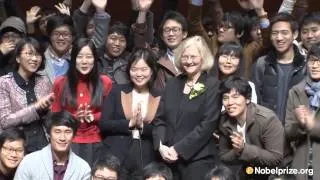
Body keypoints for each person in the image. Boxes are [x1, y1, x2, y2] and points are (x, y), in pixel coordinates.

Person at [153, 36, 221, 180]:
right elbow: (160, 119)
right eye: (185, 57)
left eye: (193, 57)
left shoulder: (212, 85)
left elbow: (207, 125)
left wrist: (178, 149)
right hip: (167, 158)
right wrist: (161, 146)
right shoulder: (172, 84)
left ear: (203, 58)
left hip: (198, 160)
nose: (189, 61)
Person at [99, 48, 160, 180]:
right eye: (134, 69)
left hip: (147, 156)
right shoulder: (117, 91)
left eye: (144, 69)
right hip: (117, 154)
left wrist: (142, 126)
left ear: (152, 71)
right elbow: (104, 124)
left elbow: (161, 129)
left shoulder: (159, 96)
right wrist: (129, 123)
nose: (139, 74)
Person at [51, 38, 112, 166]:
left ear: (95, 60)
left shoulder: (105, 82)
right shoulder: (61, 82)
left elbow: (110, 116)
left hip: (96, 141)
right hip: (68, 140)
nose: (84, 61)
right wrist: (73, 118)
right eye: (80, 57)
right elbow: (55, 117)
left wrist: (93, 117)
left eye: (89, 57)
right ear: (73, 59)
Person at [218, 76, 283, 180]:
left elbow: (276, 158)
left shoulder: (267, 119)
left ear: (247, 99)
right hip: (247, 172)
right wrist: (237, 151)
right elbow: (224, 156)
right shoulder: (223, 119)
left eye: (235, 97)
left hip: (275, 173)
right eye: (225, 98)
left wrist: (244, 148)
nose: (229, 102)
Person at [0, 37, 53, 153]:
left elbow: (51, 118)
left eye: (38, 55)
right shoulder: (4, 83)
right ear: (18, 58)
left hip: (43, 143)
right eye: (29, 54)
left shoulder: (44, 81)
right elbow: (4, 121)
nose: (34, 58)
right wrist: (35, 108)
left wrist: (49, 110)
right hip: (17, 147)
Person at [252, 12, 306, 123]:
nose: (279, 38)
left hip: (296, 131)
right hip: (267, 130)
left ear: (295, 34)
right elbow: (254, 99)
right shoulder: (262, 64)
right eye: (275, 33)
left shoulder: (304, 66)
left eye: (284, 33)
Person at [14, 111, 91, 180]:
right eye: (57, 132)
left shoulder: (83, 168)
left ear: (74, 136)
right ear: (49, 134)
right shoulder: (29, 162)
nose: (62, 138)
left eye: (67, 132)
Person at [285, 42, 320, 180]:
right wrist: (300, 125)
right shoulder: (296, 91)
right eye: (312, 61)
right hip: (301, 167)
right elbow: (288, 132)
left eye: (319, 62)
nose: (315, 66)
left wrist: (312, 126)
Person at [153, 10, 188, 90]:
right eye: (167, 30)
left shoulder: (194, 58)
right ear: (162, 36)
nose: (171, 34)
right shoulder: (157, 60)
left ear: (184, 34)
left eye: (175, 30)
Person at [44, 14, 73, 84]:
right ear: (49, 35)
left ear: (72, 37)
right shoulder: (40, 59)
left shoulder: (77, 58)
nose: (61, 38)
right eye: (56, 34)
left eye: (65, 34)